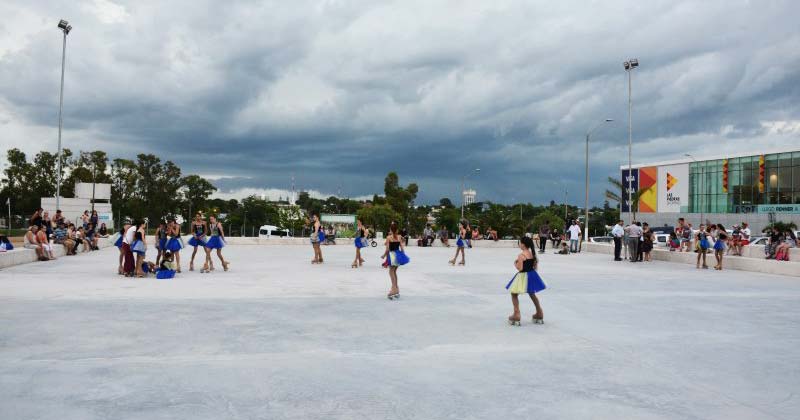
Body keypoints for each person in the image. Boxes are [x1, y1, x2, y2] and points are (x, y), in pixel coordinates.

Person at [505, 236, 546, 326]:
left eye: (520, 242)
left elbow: (520, 268)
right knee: (532, 293)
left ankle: (516, 314)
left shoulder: (521, 255)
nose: (519, 244)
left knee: (514, 294)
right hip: (531, 275)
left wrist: (515, 263)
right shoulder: (532, 254)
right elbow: (535, 267)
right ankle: (539, 312)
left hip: (523, 276)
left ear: (523, 244)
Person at [380, 221, 409, 300]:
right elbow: (402, 248)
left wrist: (384, 255)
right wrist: (403, 256)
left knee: (391, 272)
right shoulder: (399, 237)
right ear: (397, 230)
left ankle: (393, 289)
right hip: (398, 255)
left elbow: (387, 249)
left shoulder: (389, 237)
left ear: (390, 229)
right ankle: (396, 288)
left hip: (392, 255)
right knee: (394, 272)